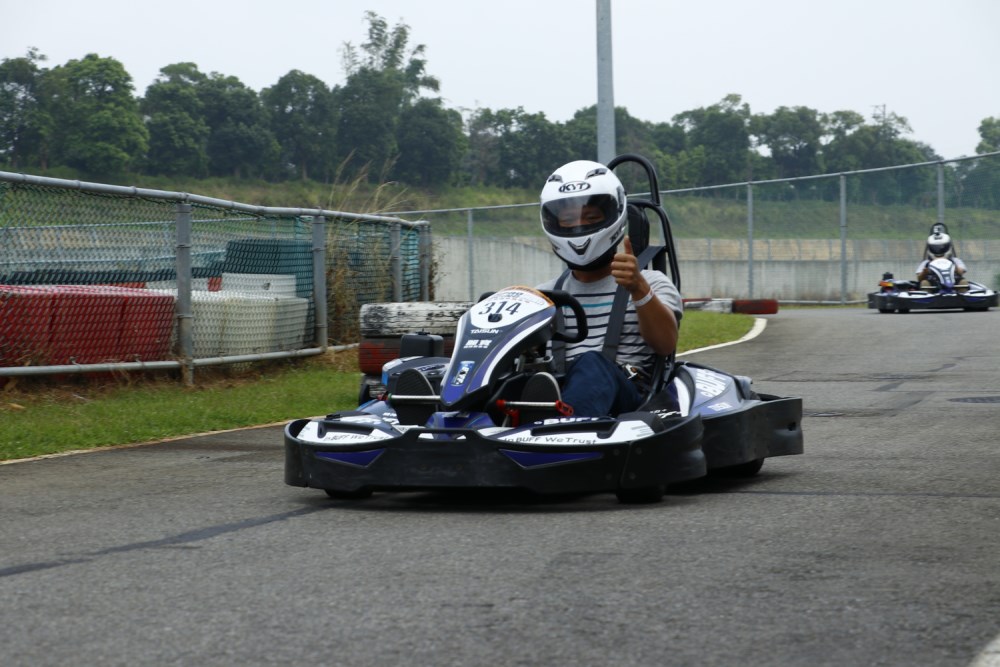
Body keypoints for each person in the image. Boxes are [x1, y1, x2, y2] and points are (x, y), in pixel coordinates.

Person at [521, 159, 684, 421]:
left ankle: (563, 432)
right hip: (559, 393)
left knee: (592, 363)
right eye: (568, 219)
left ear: (613, 217)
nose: (578, 225)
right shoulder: (543, 296)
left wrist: (638, 289)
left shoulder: (651, 282)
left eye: (591, 217)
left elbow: (665, 345)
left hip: (629, 401)